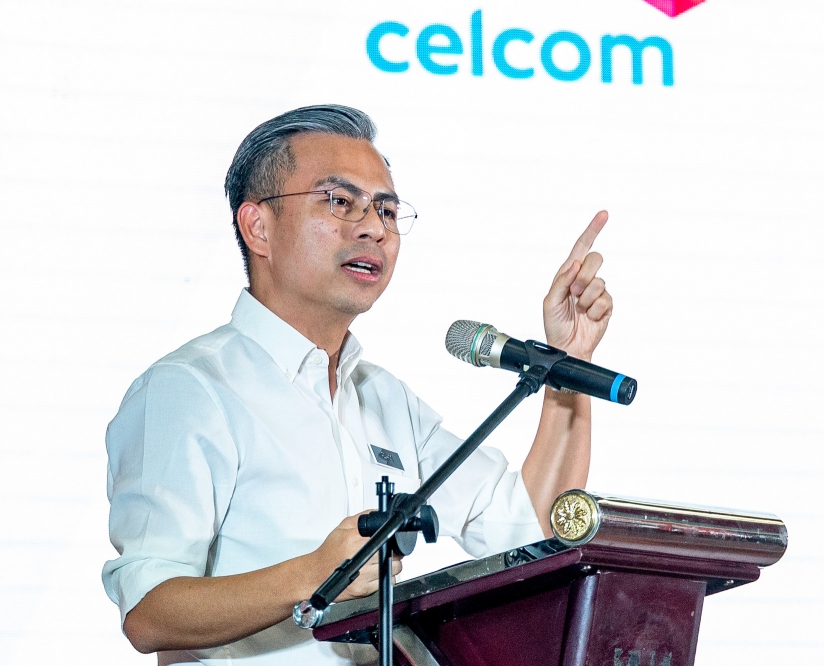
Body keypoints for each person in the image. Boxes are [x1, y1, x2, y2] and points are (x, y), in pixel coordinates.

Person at [102, 105, 613, 665]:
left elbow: (530, 535)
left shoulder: (385, 400)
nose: (374, 227)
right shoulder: (190, 389)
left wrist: (569, 362)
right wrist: (316, 574)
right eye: (339, 202)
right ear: (258, 228)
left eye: (387, 210)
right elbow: (150, 611)